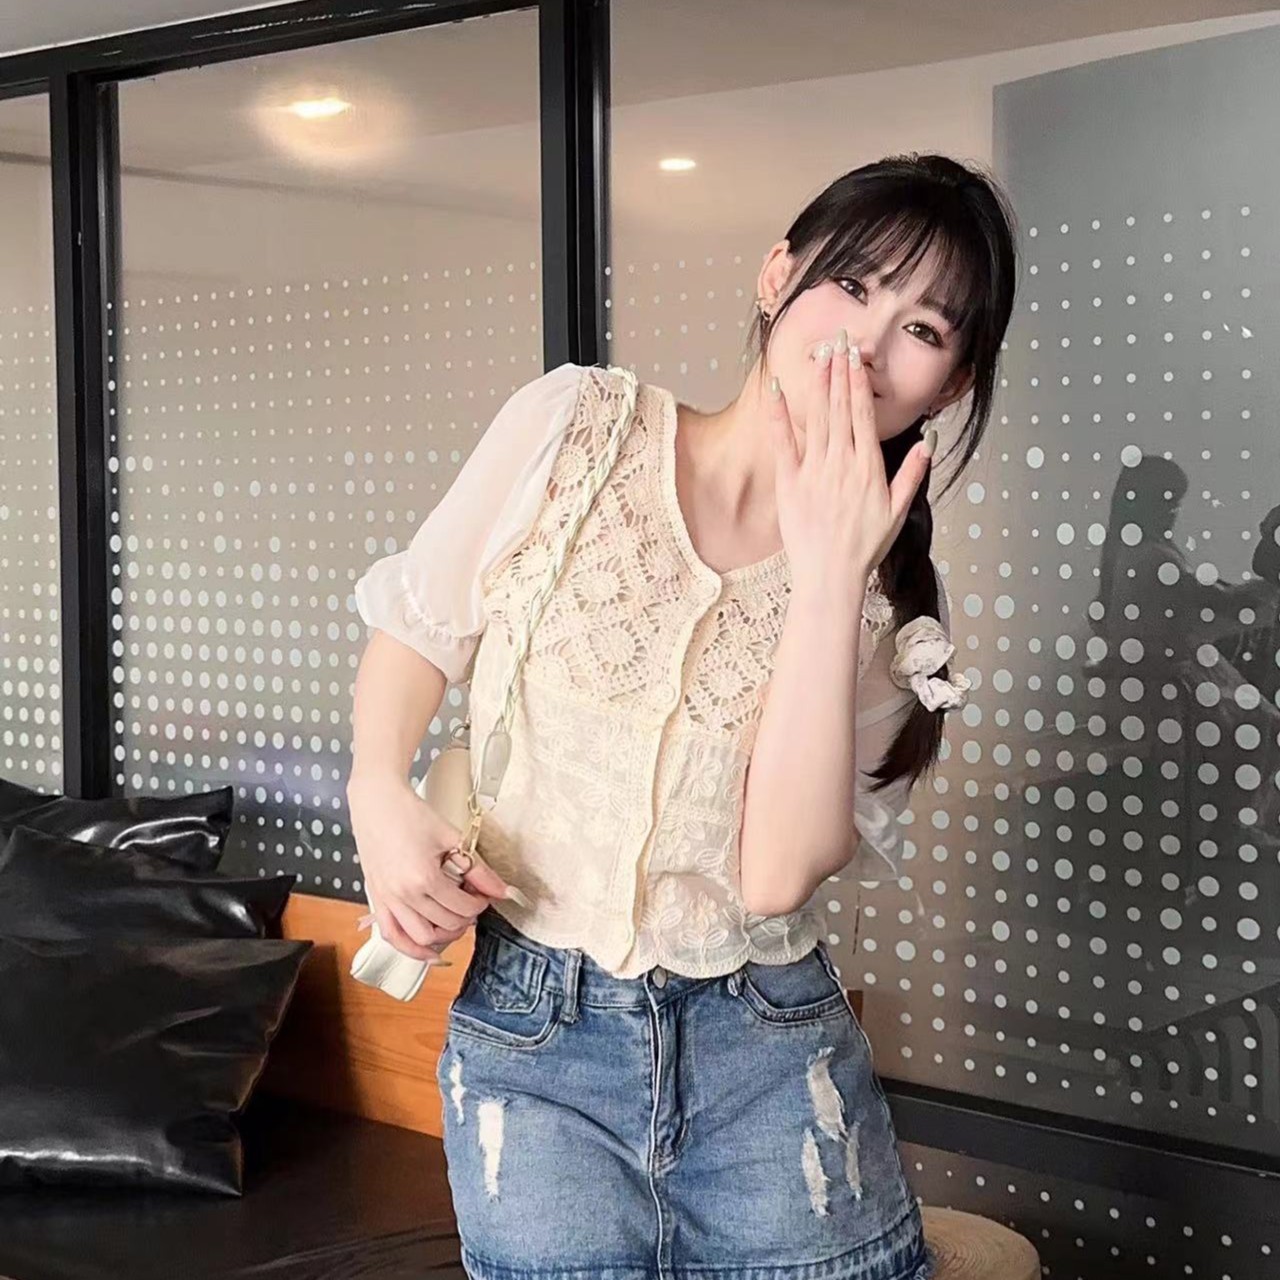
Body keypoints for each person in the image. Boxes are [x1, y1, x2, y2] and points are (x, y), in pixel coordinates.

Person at [346, 153, 1017, 1280]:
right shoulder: (576, 425)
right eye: (851, 285)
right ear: (777, 275)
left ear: (948, 387)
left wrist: (826, 578)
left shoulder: (892, 607)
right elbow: (421, 624)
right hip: (532, 1046)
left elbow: (776, 874)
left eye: (921, 328)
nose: (863, 342)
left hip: (774, 1063)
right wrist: (377, 788)